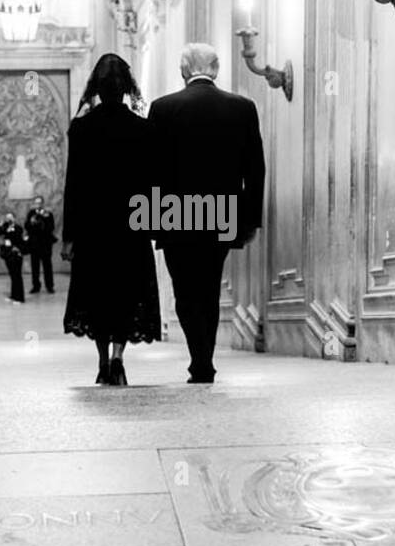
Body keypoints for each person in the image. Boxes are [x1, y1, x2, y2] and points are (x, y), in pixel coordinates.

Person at [148, 44, 265, 383]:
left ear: (184, 71)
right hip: (222, 213)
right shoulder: (242, 107)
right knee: (209, 286)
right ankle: (205, 359)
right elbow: (254, 169)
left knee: (184, 290)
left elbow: (151, 169)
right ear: (215, 69)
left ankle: (198, 357)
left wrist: (150, 220)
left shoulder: (163, 108)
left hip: (175, 214)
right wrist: (250, 220)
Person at [61, 53, 161, 385]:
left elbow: (73, 184)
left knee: (97, 294)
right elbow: (151, 181)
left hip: (93, 227)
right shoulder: (142, 128)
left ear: (97, 90)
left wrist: (69, 235)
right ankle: (119, 358)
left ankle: (103, 360)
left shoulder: (81, 128)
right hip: (131, 226)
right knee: (127, 292)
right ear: (126, 89)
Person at [24, 195, 57, 294]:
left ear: (43, 203)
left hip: (46, 244)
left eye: (40, 203)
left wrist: (43, 218)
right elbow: (27, 226)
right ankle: (36, 286)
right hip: (34, 244)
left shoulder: (48, 214)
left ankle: (49, 286)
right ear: (34, 204)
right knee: (35, 266)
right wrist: (32, 222)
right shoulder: (31, 214)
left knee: (47, 266)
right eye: (36, 203)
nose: (38, 204)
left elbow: (51, 227)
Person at [0, 211, 27, 304]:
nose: (8, 219)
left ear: (14, 218)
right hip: (8, 253)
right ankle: (13, 296)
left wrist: (9, 231)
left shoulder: (17, 228)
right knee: (12, 275)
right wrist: (0, 225)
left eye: (10, 217)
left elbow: (17, 238)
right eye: (7, 217)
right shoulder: (5, 227)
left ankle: (20, 298)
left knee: (17, 276)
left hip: (16, 253)